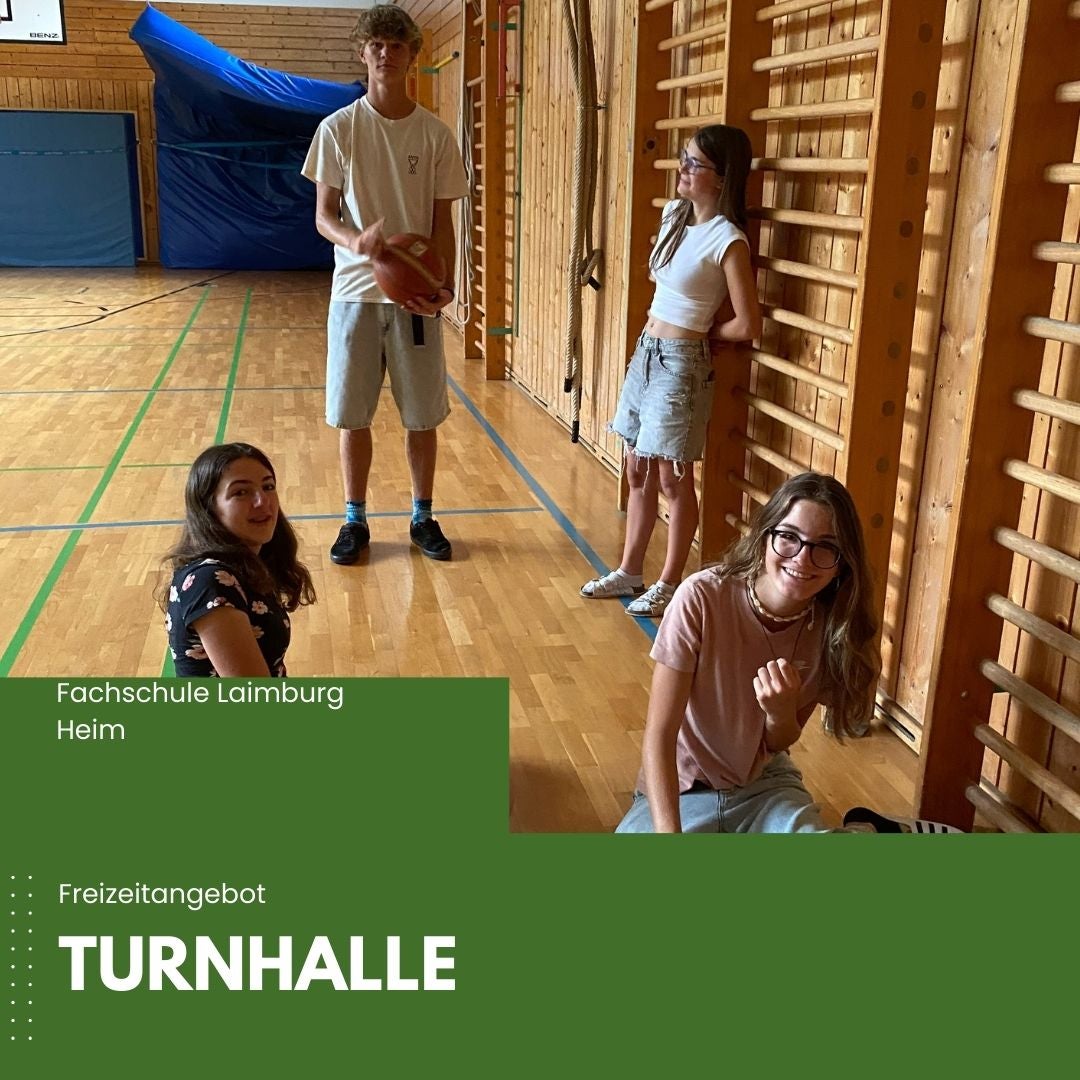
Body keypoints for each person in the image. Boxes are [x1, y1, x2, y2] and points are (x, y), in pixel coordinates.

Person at [615, 472, 961, 833]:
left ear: (842, 563)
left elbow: (778, 743)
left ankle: (872, 830)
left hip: (762, 786)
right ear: (765, 537)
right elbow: (660, 736)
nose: (803, 558)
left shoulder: (833, 630)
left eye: (824, 546)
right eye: (789, 537)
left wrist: (780, 714)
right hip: (684, 786)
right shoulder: (701, 597)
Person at [301, 4, 469, 565]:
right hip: (354, 292)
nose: (385, 53)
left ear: (413, 55)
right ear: (362, 51)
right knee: (353, 416)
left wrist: (446, 286)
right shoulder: (338, 129)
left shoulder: (435, 134)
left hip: (415, 295)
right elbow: (323, 216)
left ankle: (423, 515)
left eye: (397, 45)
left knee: (421, 415)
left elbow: (443, 223)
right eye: (376, 43)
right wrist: (357, 241)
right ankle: (354, 519)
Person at [581, 124, 762, 618]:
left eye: (695, 164)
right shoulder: (673, 215)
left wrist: (702, 334)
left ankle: (668, 582)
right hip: (646, 352)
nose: (683, 168)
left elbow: (748, 322)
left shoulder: (728, 240)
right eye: (685, 157)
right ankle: (630, 570)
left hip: (681, 364)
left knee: (673, 479)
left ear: (722, 178)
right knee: (636, 468)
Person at [161, 443, 316, 677]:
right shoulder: (210, 581)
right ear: (209, 507)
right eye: (241, 492)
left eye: (268, 487)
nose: (262, 501)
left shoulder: (248, 564)